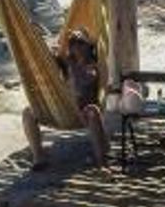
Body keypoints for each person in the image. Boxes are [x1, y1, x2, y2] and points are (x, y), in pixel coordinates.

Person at [23, 29, 109, 169]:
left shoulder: (97, 65)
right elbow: (44, 57)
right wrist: (33, 33)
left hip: (84, 111)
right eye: (72, 43)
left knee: (93, 111)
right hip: (63, 110)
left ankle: (102, 162)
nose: (76, 46)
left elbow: (104, 85)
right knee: (28, 112)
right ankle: (38, 157)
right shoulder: (67, 63)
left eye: (80, 42)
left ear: (89, 45)